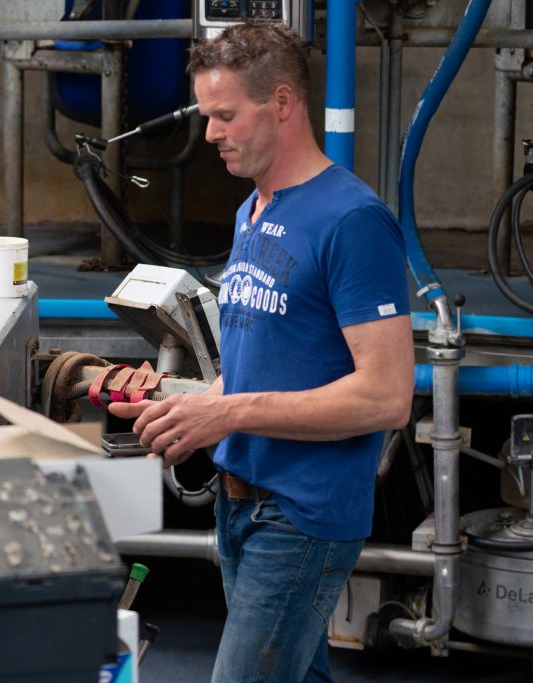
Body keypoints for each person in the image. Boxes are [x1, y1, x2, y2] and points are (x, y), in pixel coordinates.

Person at [107, 23, 415, 683]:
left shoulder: (352, 222)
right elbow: (260, 371)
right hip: (241, 502)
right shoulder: (252, 211)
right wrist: (186, 406)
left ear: (282, 102)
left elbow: (388, 397)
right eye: (208, 116)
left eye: (224, 115)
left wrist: (227, 414)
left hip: (300, 512)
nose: (211, 133)